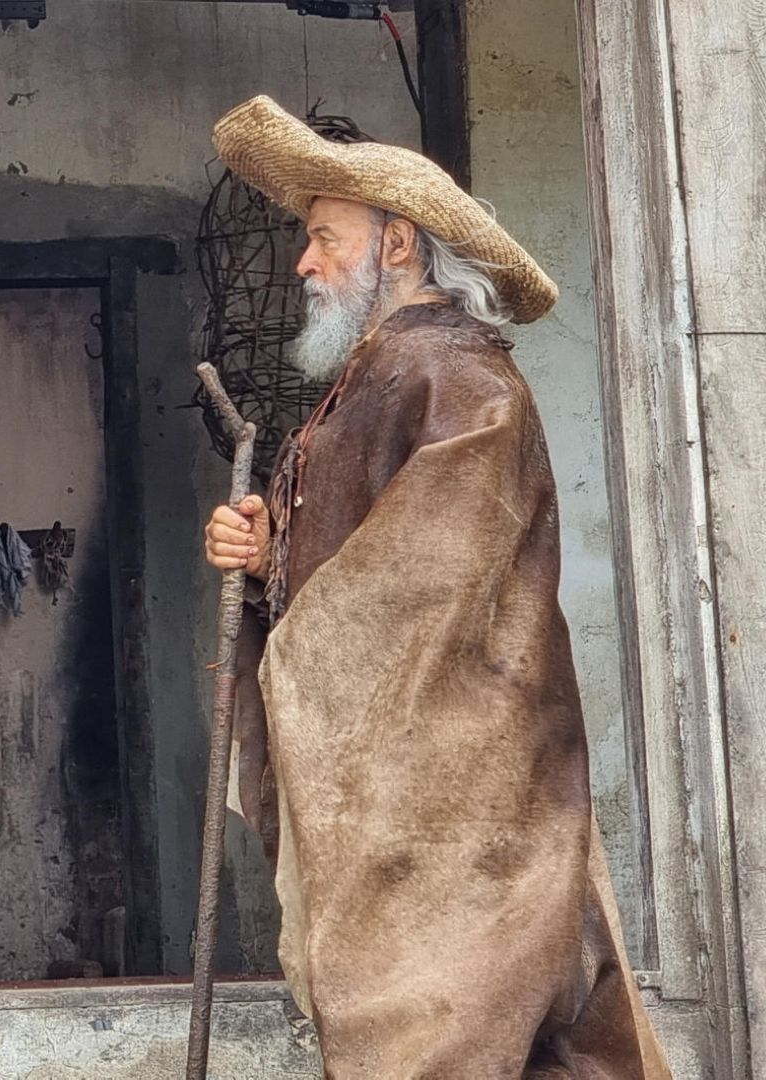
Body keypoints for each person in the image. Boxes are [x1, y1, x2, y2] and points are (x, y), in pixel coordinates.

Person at [199, 95, 670, 1077]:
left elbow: (421, 582)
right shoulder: (368, 380)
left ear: (399, 245)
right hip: (405, 824)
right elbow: (348, 560)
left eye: (325, 239)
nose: (303, 263)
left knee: (451, 1040)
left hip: (464, 816)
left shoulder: (461, 384)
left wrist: (286, 582)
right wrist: (262, 552)